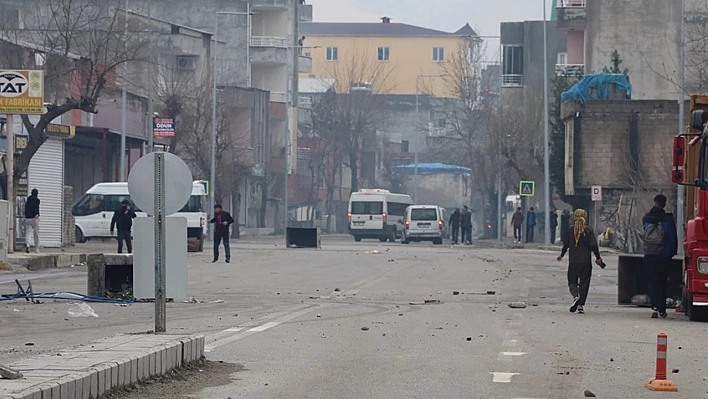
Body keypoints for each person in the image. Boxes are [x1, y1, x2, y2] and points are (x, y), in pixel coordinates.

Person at [557, 209, 604, 314]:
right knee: (584, 284)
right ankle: (580, 305)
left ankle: (576, 296)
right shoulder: (588, 230)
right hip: (586, 262)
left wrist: (561, 255)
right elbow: (593, 245)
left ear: (575, 217)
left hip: (573, 262)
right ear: (585, 216)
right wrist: (598, 257)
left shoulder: (571, 230)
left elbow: (566, 244)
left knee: (572, 282)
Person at [642, 194, 678, 319]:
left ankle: (654, 307)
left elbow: (644, 234)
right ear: (664, 204)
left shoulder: (646, 218)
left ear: (654, 202)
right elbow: (672, 237)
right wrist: (672, 252)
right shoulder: (667, 219)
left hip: (649, 254)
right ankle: (662, 309)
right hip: (664, 255)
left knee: (652, 281)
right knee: (662, 282)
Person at [24, 188, 40, 253]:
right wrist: (37, 214)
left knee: (28, 232)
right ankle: (36, 248)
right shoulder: (37, 200)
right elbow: (36, 207)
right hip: (34, 218)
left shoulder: (28, 200)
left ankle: (28, 245)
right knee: (36, 233)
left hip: (27, 219)